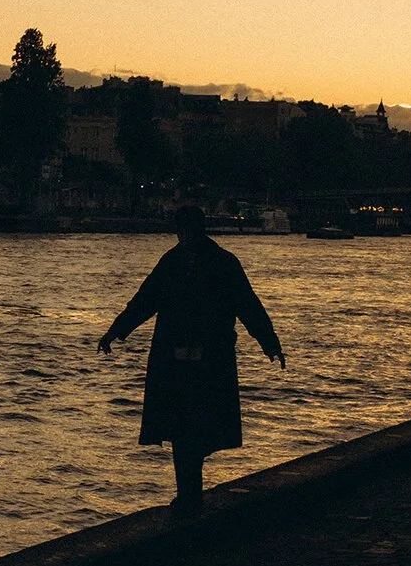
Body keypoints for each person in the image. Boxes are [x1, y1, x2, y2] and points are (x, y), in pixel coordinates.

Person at [97, 205, 285, 516]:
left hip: (183, 360)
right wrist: (115, 331)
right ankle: (189, 494)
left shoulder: (179, 262)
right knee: (190, 430)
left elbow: (145, 302)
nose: (182, 236)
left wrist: (270, 343)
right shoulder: (219, 262)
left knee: (185, 429)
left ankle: (189, 495)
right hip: (206, 360)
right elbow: (145, 301)